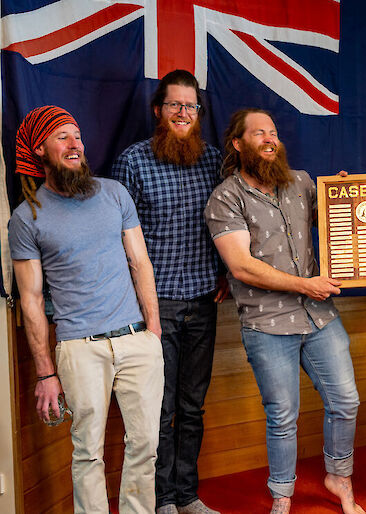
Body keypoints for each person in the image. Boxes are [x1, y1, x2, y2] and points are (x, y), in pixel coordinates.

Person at [204, 108, 364, 514]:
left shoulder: (301, 183)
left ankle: (338, 477)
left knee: (345, 400)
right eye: (258, 133)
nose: (269, 138)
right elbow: (241, 266)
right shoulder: (226, 196)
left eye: (273, 132)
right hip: (267, 323)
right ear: (238, 144)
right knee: (282, 416)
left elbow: (337, 219)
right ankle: (282, 497)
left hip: (319, 317)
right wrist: (304, 285)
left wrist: (348, 195)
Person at [8, 105, 164, 513]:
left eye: (77, 136)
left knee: (146, 446)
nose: (75, 144)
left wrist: (153, 330)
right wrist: (46, 372)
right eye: (63, 137)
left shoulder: (114, 193)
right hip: (78, 347)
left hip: (137, 340)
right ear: (40, 150)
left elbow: (140, 262)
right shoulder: (27, 217)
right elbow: (31, 301)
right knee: (88, 453)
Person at [112, 69, 226, 514]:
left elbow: (233, 224)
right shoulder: (133, 161)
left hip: (203, 303)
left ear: (199, 113)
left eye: (191, 106)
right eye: (174, 104)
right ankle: (160, 501)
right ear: (158, 110)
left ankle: (188, 496)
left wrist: (223, 274)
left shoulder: (215, 160)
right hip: (152, 311)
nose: (183, 112)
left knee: (192, 408)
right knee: (157, 412)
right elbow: (119, 241)